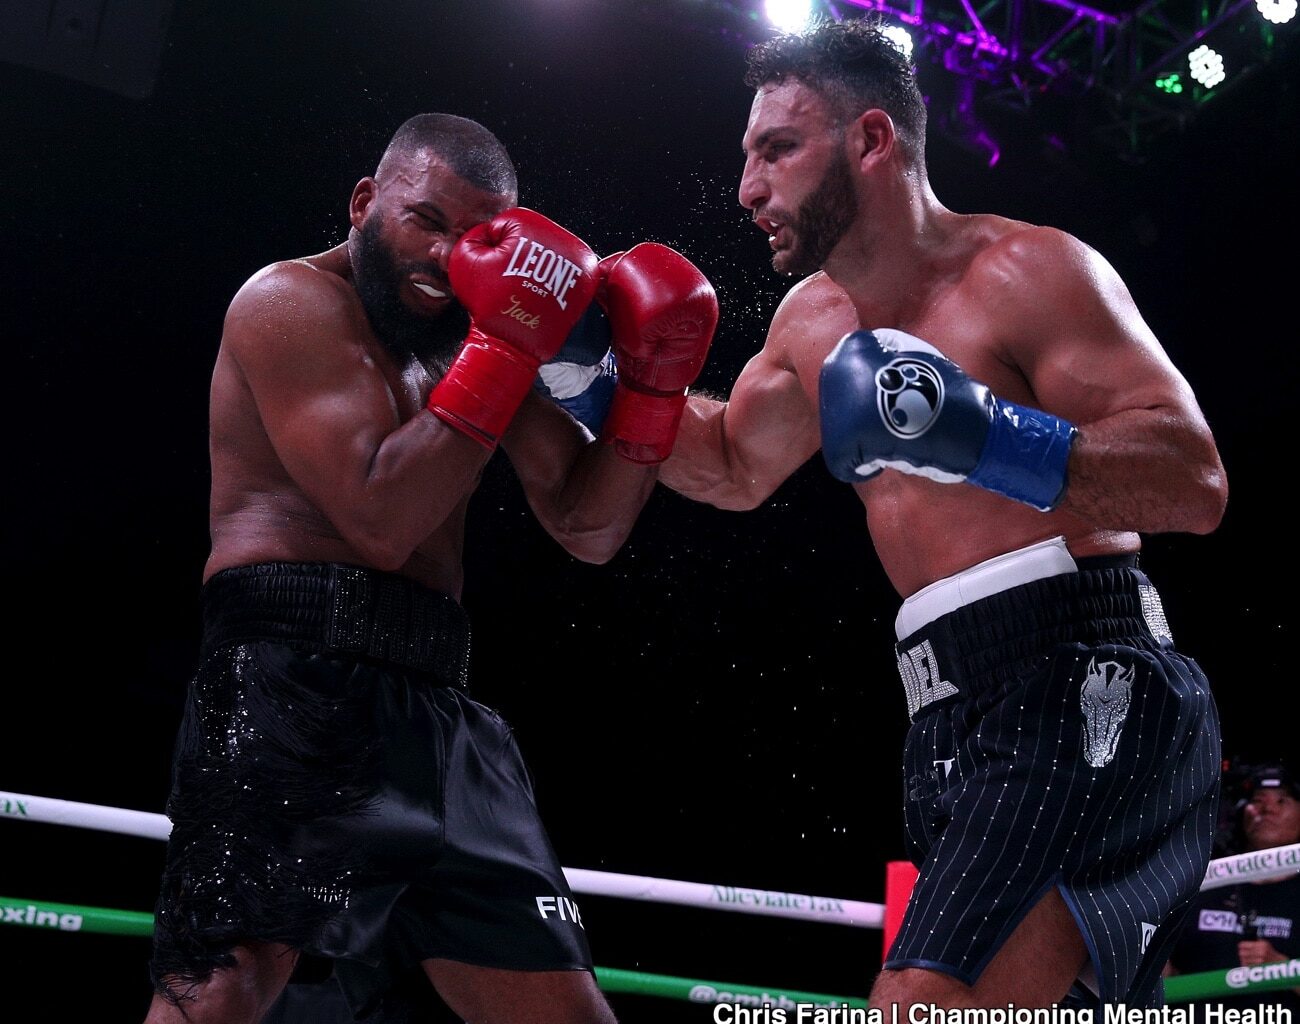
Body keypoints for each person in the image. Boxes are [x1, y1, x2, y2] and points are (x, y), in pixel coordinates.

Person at [657, 16, 1228, 1011]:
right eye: (747, 155)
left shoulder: (1027, 272)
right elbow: (727, 467)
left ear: (872, 141)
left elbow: (1191, 481)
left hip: (1082, 679)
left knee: (921, 1000)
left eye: (777, 148)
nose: (749, 186)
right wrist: (590, 378)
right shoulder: (809, 324)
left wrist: (977, 435)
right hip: (945, 711)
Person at [143, 112, 717, 1024]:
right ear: (367, 202)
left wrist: (653, 388)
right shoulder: (286, 303)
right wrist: (510, 342)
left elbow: (589, 525)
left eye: (481, 238)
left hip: (438, 705)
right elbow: (380, 519)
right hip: (291, 675)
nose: (450, 258)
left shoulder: (474, 333)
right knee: (219, 993)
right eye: (427, 222)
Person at [1168, 763, 1300, 1014]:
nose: (1267, 809)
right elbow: (1164, 973)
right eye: (1258, 800)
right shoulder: (1205, 882)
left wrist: (1281, 968)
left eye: (1282, 801)